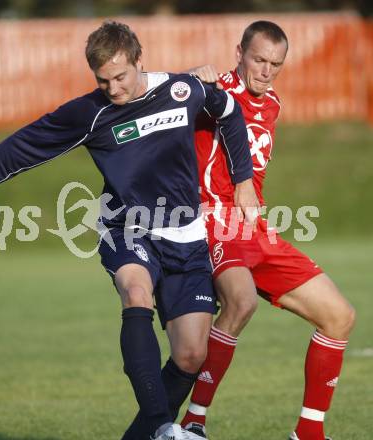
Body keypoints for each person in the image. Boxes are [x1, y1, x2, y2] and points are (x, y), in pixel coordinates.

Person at [0, 21, 259, 440]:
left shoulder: (183, 90)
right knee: (136, 292)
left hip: (185, 235)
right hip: (125, 228)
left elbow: (230, 113)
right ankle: (165, 427)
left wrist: (243, 179)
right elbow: (23, 146)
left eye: (120, 76)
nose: (113, 88)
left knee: (190, 355)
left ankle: (144, 432)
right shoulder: (90, 113)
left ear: (139, 60)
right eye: (103, 80)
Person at [179, 21, 356, 440]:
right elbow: (169, 100)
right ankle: (193, 423)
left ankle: (308, 432)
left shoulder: (272, 102)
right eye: (258, 59)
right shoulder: (213, 91)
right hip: (215, 222)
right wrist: (191, 78)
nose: (265, 71)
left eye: (275, 64)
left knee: (339, 317)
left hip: (254, 229)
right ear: (239, 51)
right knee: (240, 303)